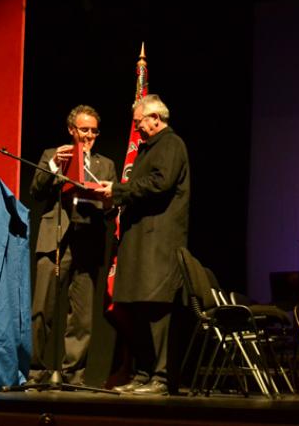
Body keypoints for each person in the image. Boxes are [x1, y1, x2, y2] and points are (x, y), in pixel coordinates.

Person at [96, 94, 190, 395]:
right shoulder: (150, 148)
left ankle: (161, 377)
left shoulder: (171, 144)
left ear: (156, 119)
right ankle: (143, 371)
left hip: (157, 242)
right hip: (139, 241)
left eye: (140, 123)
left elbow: (160, 183)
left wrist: (119, 189)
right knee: (134, 307)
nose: (137, 129)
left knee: (155, 308)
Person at [30, 104, 118, 384]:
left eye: (93, 131)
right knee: (42, 308)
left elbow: (113, 208)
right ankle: (35, 371)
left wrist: (108, 201)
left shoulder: (106, 165)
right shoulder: (53, 155)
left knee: (81, 318)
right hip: (56, 237)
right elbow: (37, 190)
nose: (89, 136)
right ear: (71, 130)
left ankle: (74, 376)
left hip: (88, 242)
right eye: (84, 130)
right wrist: (56, 164)